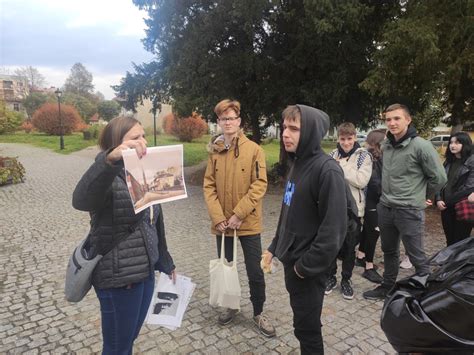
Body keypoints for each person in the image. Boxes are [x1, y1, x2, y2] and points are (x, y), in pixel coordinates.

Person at [72, 116, 176, 354]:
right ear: (117, 144)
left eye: (143, 136)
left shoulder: (146, 169)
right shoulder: (107, 175)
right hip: (119, 278)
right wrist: (109, 161)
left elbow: (153, 221)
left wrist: (164, 261)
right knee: (117, 347)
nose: (143, 142)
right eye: (135, 138)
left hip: (145, 272)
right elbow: (80, 200)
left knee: (128, 340)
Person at [263, 105, 347, 354]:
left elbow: (334, 231)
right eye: (284, 127)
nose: (285, 134)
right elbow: (287, 214)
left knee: (308, 330)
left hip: (308, 271)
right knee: (302, 325)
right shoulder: (296, 164)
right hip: (293, 263)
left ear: (310, 131)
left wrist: (303, 267)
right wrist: (273, 248)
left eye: (294, 128)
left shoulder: (327, 170)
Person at [203, 99, 275, 337]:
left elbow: (259, 185)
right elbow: (209, 186)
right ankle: (231, 306)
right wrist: (218, 217)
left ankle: (258, 311)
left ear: (239, 121)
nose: (228, 122)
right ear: (219, 122)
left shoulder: (254, 150)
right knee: (227, 268)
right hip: (223, 225)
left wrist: (238, 214)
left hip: (248, 223)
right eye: (224, 119)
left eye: (232, 118)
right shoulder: (215, 151)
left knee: (256, 271)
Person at [363, 104, 447, 301]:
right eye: (388, 119)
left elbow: (440, 178)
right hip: (386, 207)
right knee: (389, 250)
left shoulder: (421, 146)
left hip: (409, 210)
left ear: (408, 120)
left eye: (397, 118)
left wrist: (422, 195)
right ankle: (387, 287)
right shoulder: (386, 145)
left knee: (416, 255)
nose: (392, 123)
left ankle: (425, 294)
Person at [326, 122, 372, 299]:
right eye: (343, 139)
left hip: (354, 210)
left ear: (355, 137)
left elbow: (361, 180)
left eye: (349, 139)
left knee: (349, 248)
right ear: (338, 138)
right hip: (334, 209)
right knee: (331, 246)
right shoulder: (332, 155)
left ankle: (346, 279)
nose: (346, 143)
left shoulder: (363, 157)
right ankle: (331, 277)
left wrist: (340, 166)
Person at [356, 129, 386, 284]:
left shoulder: (371, 156)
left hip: (370, 200)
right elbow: (375, 182)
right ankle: (368, 267)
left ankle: (361, 256)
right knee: (373, 233)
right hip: (374, 201)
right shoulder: (374, 158)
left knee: (368, 230)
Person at [435, 132, 474, 246]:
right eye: (451, 142)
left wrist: (448, 202)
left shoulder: (471, 162)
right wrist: (438, 199)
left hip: (462, 205)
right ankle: (449, 263)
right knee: (449, 238)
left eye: (457, 143)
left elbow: (469, 187)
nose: (452, 145)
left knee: (460, 240)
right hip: (446, 206)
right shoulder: (448, 162)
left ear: (465, 144)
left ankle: (458, 263)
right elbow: (440, 181)